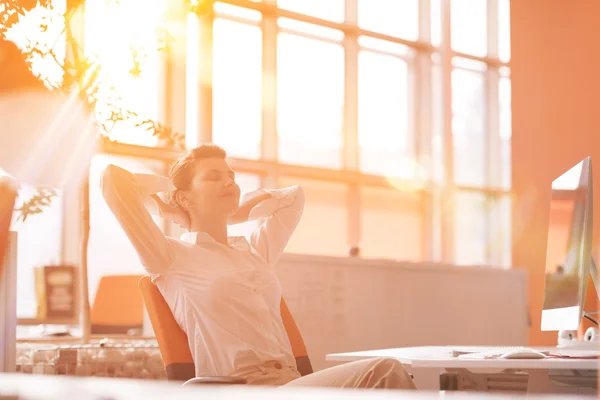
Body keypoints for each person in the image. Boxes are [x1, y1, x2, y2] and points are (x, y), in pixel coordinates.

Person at [101, 144, 415, 389]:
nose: (228, 181)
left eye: (231, 176)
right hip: (242, 388)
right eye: (213, 176)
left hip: (290, 383)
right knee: (385, 373)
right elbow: (113, 181)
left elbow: (293, 198)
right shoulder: (170, 257)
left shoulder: (252, 252)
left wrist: (235, 212)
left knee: (398, 378)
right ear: (183, 197)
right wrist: (170, 201)